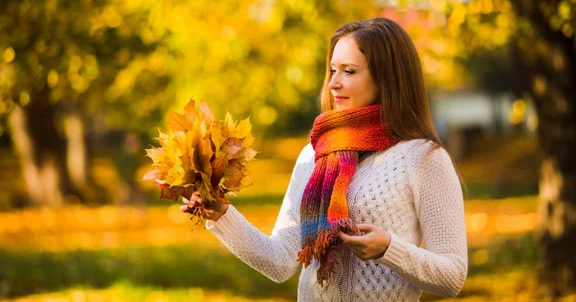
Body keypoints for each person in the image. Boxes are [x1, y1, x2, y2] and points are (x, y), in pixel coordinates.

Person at [180, 17, 468, 301]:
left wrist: (388, 249)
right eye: (332, 70)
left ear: (387, 78)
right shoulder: (315, 154)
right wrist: (222, 215)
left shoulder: (423, 159)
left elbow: (452, 276)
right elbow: (281, 260)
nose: (333, 83)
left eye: (349, 71)